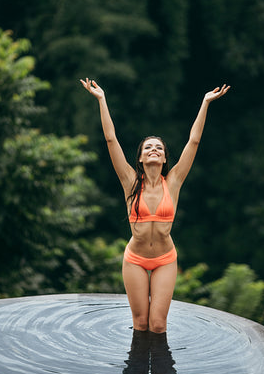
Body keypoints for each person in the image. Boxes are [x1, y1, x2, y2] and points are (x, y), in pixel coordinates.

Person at [80, 78, 230, 334]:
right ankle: (137, 373)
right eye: (148, 147)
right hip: (135, 259)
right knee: (140, 324)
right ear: (140, 157)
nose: (153, 150)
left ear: (163, 158)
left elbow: (193, 142)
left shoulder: (173, 182)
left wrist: (205, 103)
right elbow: (110, 140)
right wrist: (102, 100)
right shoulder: (129, 181)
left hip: (165, 259)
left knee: (158, 325)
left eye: (158, 148)